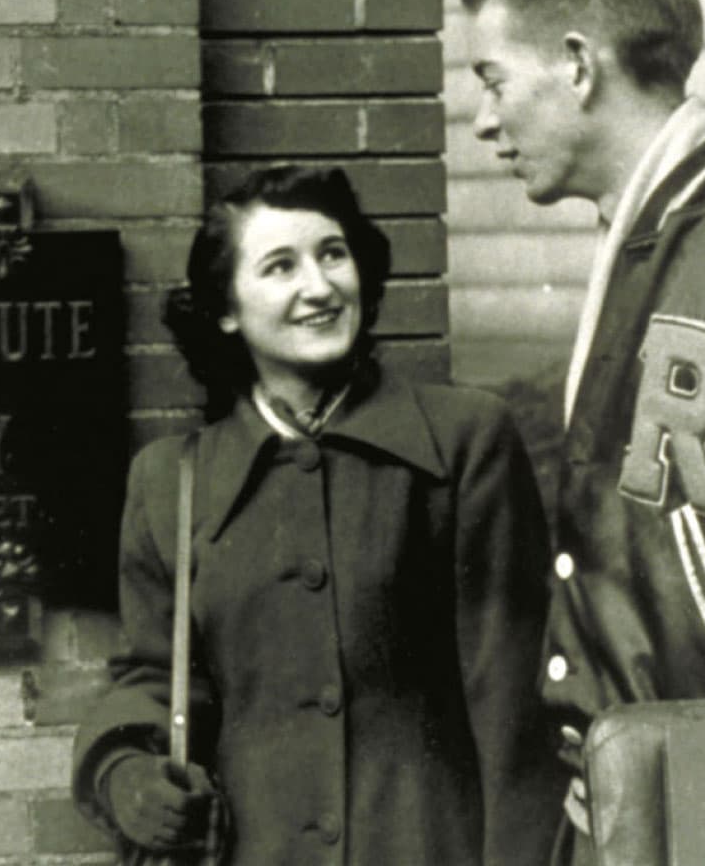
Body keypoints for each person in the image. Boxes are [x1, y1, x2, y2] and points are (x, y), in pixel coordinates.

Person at [71, 165, 564, 865]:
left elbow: (514, 708)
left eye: (334, 254)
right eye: (280, 266)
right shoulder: (170, 482)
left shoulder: (465, 442)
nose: (320, 286)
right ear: (226, 308)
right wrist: (125, 774)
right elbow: (154, 676)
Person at [462, 0, 705, 862]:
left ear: (576, 65)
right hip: (635, 809)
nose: (483, 121)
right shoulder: (643, 230)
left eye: (491, 80)